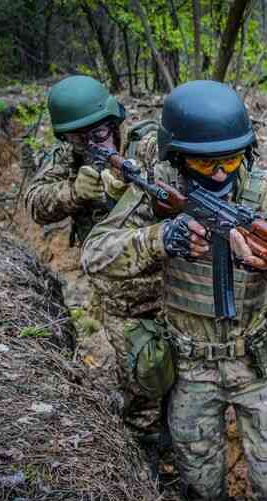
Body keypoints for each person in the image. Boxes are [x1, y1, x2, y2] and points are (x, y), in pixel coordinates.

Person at [81, 80, 267, 501]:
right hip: (190, 368)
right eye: (207, 162)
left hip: (257, 365)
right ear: (177, 155)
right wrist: (161, 239)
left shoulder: (265, 194)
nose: (222, 174)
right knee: (200, 491)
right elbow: (96, 254)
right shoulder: (159, 192)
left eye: (230, 159)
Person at [23, 75, 162, 431]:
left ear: (114, 121)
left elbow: (175, 174)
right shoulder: (69, 158)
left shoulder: (142, 143)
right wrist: (74, 192)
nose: (94, 143)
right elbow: (36, 202)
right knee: (140, 378)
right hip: (118, 296)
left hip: (168, 283)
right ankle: (146, 446)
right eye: (80, 138)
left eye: (100, 133)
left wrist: (134, 185)